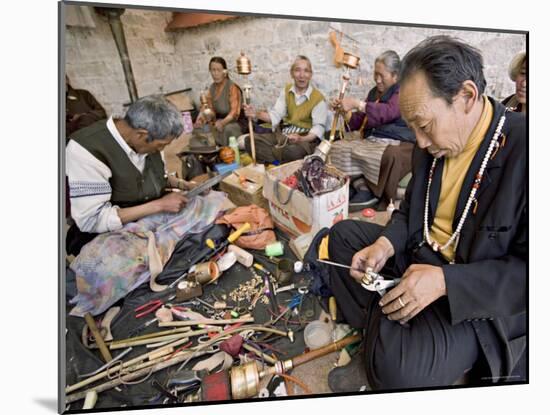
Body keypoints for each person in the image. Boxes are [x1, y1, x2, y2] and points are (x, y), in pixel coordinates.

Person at [326, 36, 526, 392]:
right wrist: (386, 245)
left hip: (471, 293)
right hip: (419, 254)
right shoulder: (429, 145)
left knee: (395, 372)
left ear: (466, 97)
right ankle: (392, 320)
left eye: (424, 124)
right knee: (339, 240)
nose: (417, 141)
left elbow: (529, 274)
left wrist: (445, 282)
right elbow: (408, 212)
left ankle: (384, 328)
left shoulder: (526, 149)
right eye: (412, 126)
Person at [66, 95, 193, 256]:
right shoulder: (86, 151)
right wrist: (159, 205)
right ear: (141, 134)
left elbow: (156, 177)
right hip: (105, 239)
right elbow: (91, 220)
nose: (160, 151)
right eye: (160, 146)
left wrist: (183, 185)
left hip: (146, 223)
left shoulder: (145, 141)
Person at [329, 51, 415, 210]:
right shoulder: (374, 93)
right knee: (339, 147)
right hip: (373, 140)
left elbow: (388, 112)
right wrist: (344, 111)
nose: (377, 79)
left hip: (398, 141)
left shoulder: (403, 90)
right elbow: (361, 120)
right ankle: (359, 186)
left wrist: (356, 103)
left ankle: (373, 193)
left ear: (395, 76)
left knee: (385, 155)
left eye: (382, 75)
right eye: (376, 74)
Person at [242, 55, 328, 163]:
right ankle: (279, 159)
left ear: (310, 75)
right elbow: (275, 116)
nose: (302, 75)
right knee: (250, 140)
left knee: (292, 152)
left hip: (304, 140)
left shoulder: (318, 99)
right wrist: (255, 114)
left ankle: (274, 158)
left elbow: (317, 130)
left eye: (306, 71)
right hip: (284, 136)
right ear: (292, 73)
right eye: (297, 70)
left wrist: (301, 139)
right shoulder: (286, 91)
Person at [194, 57, 244, 146]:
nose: (215, 73)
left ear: (225, 72)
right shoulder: (212, 88)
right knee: (199, 129)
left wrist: (222, 122)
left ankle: (226, 151)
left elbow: (234, 113)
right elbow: (210, 109)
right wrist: (201, 119)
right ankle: (210, 152)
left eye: (219, 70)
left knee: (227, 129)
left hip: (234, 122)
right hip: (219, 121)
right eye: (213, 70)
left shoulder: (232, 87)